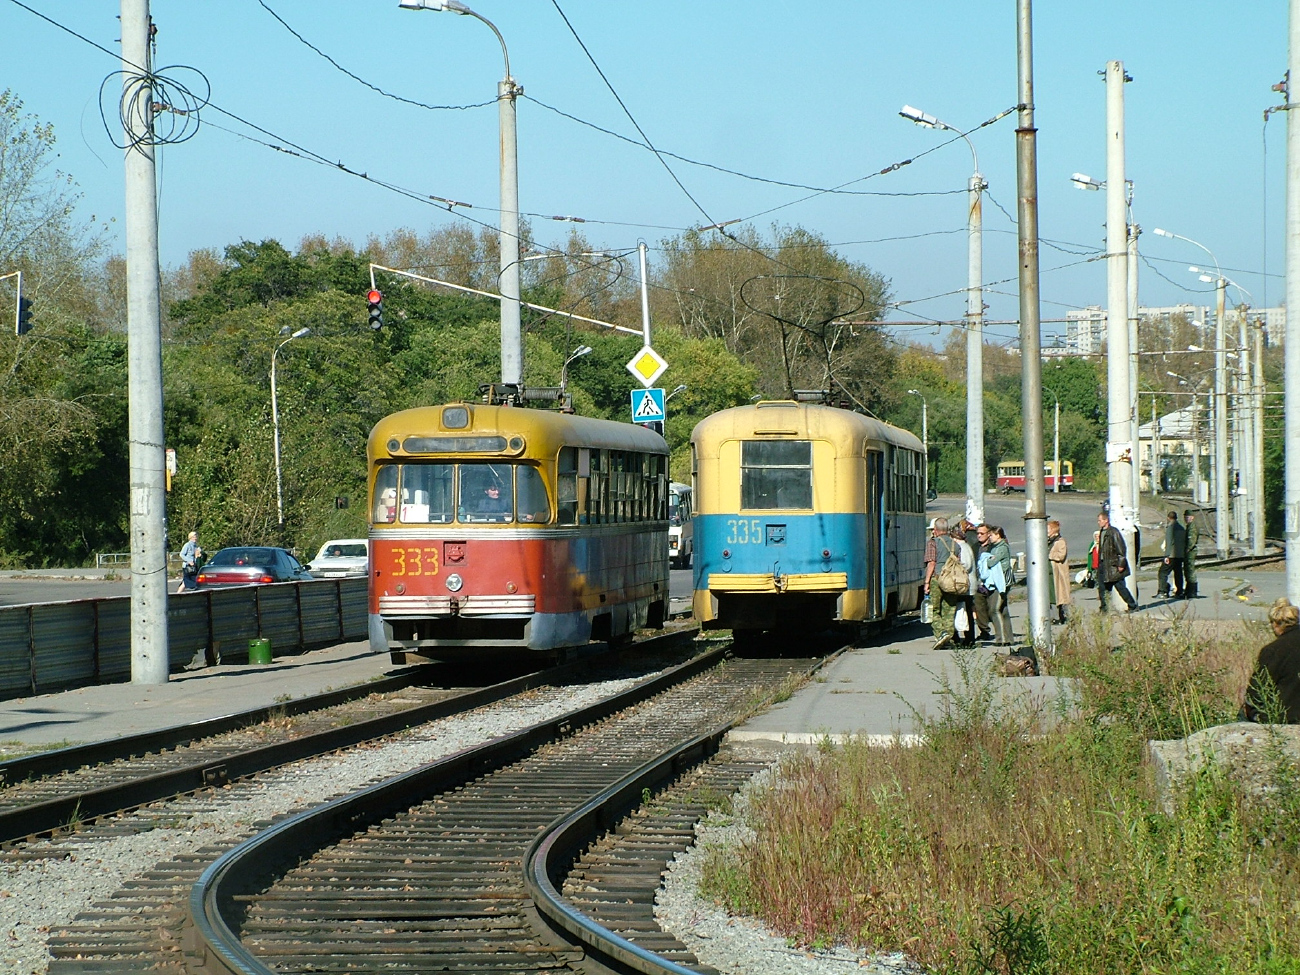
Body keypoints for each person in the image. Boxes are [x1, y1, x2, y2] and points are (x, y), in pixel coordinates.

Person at [1241, 597, 1300, 723]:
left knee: (1243, 716)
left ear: (1275, 624)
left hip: (1284, 717)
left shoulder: (1273, 651)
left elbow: (1256, 691)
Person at [922, 517, 956, 649]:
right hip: (952, 581)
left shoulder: (933, 543)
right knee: (949, 609)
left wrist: (926, 582)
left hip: (937, 579)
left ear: (935, 530)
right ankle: (948, 638)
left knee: (933, 609)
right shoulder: (955, 544)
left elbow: (931, 563)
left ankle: (941, 633)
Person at [1097, 509, 1138, 613]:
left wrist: (1121, 564)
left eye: (1100, 520)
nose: (1098, 522)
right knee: (1103, 589)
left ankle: (1132, 605)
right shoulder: (1102, 532)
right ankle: (1104, 609)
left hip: (1113, 566)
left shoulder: (1113, 532)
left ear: (1106, 520)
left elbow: (1121, 549)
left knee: (1121, 588)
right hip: (1103, 565)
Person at [986, 526, 1015, 645]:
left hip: (1001, 582)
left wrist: (986, 560)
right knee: (1003, 610)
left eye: (991, 535)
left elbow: (991, 562)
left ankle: (1001, 638)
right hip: (997, 581)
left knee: (994, 609)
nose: (989, 537)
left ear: (998, 535)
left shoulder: (1001, 548)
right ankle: (1009, 638)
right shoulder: (994, 547)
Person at [972, 524, 995, 641]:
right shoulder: (975, 547)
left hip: (992, 581)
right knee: (979, 607)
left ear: (989, 534)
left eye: (982, 533)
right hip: (979, 582)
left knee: (992, 608)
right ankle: (984, 631)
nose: (979, 535)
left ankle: (1000, 632)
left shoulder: (994, 547)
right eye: (978, 533)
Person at [1157, 510, 1187, 599]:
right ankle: (1179, 591)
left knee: (1162, 573)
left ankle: (1163, 592)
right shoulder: (1181, 528)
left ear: (1168, 518)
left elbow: (1169, 542)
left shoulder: (1170, 528)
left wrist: (1166, 555)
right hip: (1180, 555)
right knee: (1178, 573)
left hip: (1171, 555)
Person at [1047, 519, 1071, 625]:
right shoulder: (1048, 541)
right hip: (1049, 573)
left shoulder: (1060, 541)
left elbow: (1061, 556)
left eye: (1048, 529)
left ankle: (1061, 617)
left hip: (1057, 574)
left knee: (1058, 596)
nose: (1046, 531)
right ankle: (1053, 616)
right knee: (1051, 596)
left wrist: (1049, 555)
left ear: (1053, 529)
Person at [1183, 509, 1200, 599]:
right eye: (1185, 517)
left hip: (1190, 552)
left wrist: (1188, 548)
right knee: (1187, 570)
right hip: (1189, 551)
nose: (1186, 519)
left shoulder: (1192, 527)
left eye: (1188, 517)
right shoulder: (1189, 526)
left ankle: (1192, 591)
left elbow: (1191, 539)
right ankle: (1188, 590)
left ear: (1192, 517)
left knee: (1190, 570)